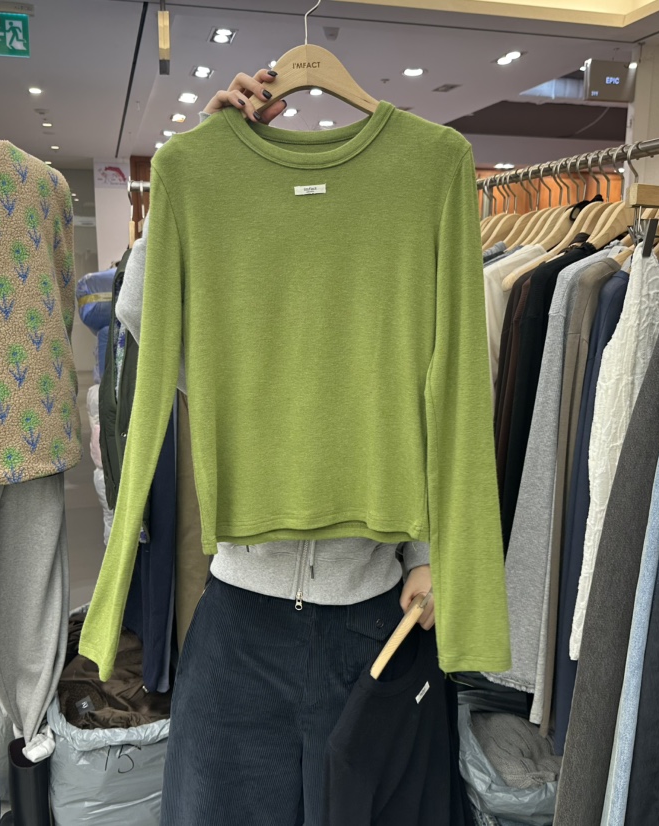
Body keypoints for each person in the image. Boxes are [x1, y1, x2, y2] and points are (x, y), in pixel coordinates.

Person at [157, 69, 436, 826]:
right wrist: (196, 176)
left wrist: (425, 554)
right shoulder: (228, 249)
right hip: (240, 619)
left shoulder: (406, 221)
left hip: (373, 618)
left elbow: (431, 408)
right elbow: (144, 315)